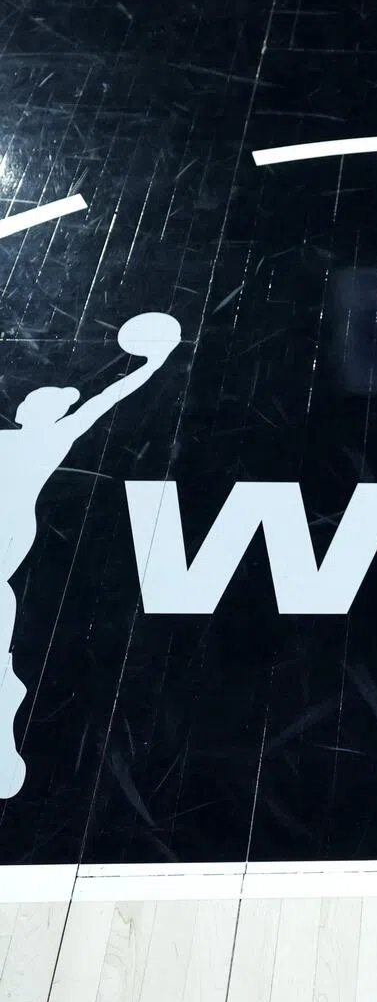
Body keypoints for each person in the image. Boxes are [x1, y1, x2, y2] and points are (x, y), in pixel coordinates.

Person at [0, 313, 180, 798]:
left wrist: (150, 365)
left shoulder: (45, 439)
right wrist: (151, 364)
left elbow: (103, 401)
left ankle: (3, 754)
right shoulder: (41, 440)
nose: (60, 411)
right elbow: (101, 401)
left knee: (4, 672)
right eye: (56, 405)